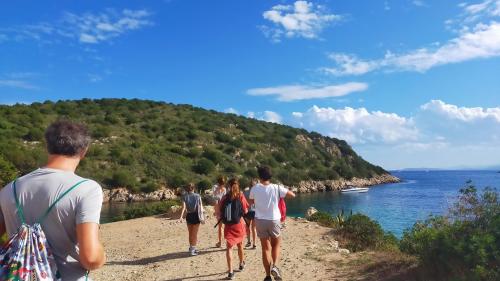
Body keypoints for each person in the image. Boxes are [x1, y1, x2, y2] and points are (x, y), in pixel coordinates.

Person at [0, 120, 106, 281]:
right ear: (84, 150)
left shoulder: (9, 189)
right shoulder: (87, 189)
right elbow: (90, 258)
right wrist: (101, 255)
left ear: (47, 147)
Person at [249, 166, 296, 281]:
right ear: (270, 176)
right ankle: (274, 266)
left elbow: (250, 202)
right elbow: (292, 195)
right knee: (276, 244)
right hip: (274, 219)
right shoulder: (276, 187)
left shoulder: (254, 188)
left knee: (265, 248)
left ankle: (267, 276)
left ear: (259, 176)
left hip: (260, 220)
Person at [218, 178, 249, 280]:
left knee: (229, 248)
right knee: (240, 245)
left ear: (228, 186)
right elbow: (245, 210)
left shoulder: (225, 197)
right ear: (238, 185)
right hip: (238, 224)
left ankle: (230, 272)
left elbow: (219, 210)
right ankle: (241, 263)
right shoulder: (240, 195)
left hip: (228, 225)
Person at [179, 183, 204, 256]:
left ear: (187, 189)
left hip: (189, 215)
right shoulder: (198, 196)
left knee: (190, 233)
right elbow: (200, 207)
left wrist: (181, 217)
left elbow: (183, 208)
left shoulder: (184, 196)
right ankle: (193, 250)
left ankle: (191, 247)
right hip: (196, 215)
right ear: (193, 188)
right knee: (194, 234)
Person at [212, 175, 227, 247]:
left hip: (218, 209)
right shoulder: (224, 189)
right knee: (224, 226)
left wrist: (216, 210)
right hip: (223, 209)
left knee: (220, 226)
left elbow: (215, 200)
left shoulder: (215, 188)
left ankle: (220, 242)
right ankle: (223, 241)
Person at [243, 179, 257, 249]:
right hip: (255, 211)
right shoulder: (257, 193)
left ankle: (249, 241)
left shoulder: (245, 192)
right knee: (253, 228)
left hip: (247, 211)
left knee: (247, 227)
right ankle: (254, 243)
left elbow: (243, 202)